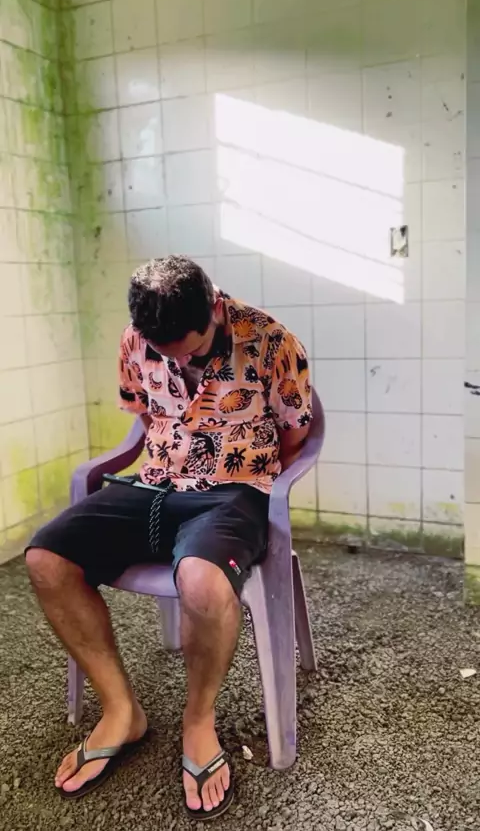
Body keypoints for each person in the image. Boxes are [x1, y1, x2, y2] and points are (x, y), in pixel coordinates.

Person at [25, 255, 313, 820]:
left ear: (214, 308)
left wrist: (255, 487)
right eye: (167, 353)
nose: (179, 362)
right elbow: (143, 414)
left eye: (190, 349)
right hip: (154, 481)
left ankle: (198, 720)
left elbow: (295, 434)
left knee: (201, 581)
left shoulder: (270, 340)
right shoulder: (136, 337)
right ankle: (121, 711)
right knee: (46, 558)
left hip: (233, 489)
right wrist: (166, 461)